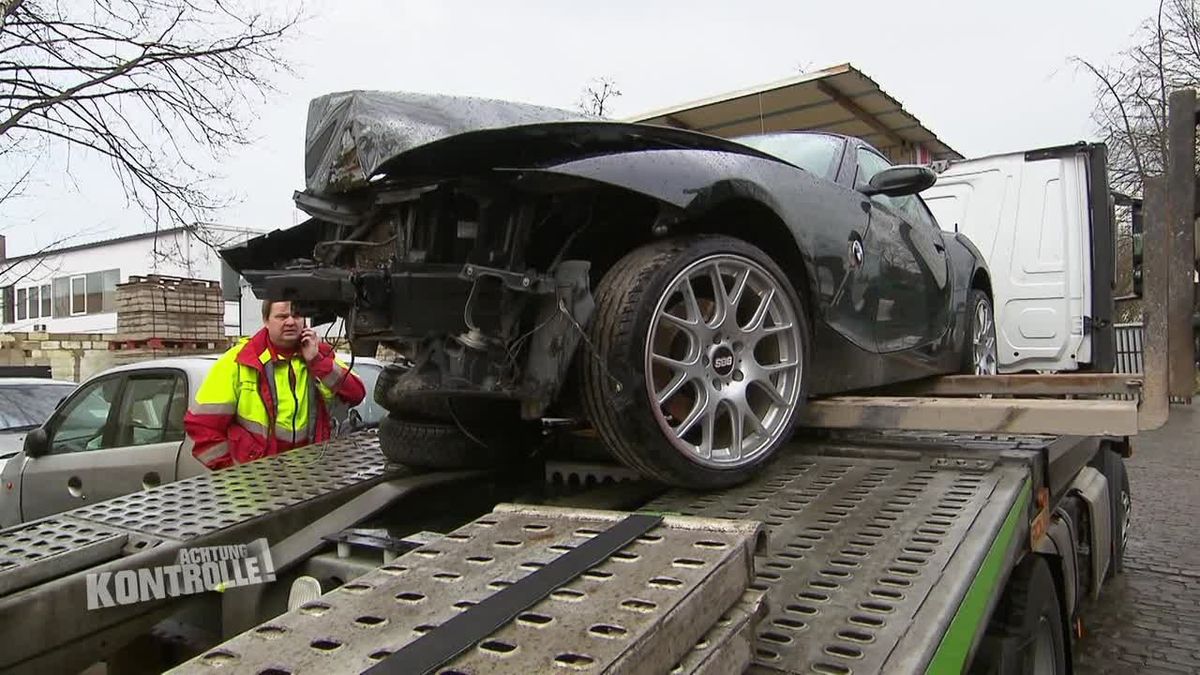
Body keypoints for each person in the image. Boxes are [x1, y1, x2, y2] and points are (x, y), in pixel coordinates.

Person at [184, 300, 367, 470]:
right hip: (256, 487)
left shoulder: (319, 354)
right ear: (266, 320)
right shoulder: (239, 360)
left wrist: (317, 362)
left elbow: (356, 393)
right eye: (281, 316)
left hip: (311, 477)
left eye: (296, 316)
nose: (290, 322)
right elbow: (201, 427)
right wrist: (232, 471)